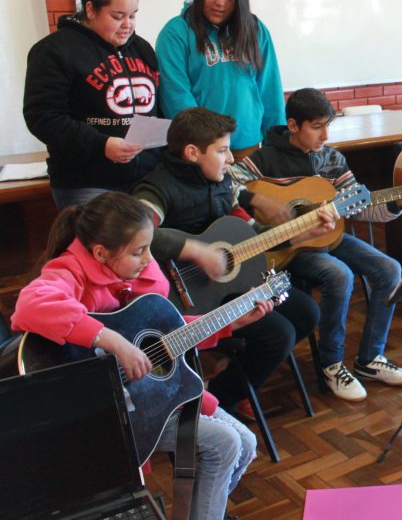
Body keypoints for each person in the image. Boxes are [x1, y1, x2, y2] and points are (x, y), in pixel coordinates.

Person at [11, 192, 267, 520]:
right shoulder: (69, 270)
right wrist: (114, 342)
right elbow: (31, 304)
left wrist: (231, 320)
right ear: (101, 253)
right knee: (225, 443)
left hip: (151, 397)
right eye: (138, 251)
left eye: (148, 247)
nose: (149, 259)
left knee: (245, 443)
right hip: (101, 414)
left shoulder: (139, 274)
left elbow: (168, 333)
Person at [230, 88, 402, 402]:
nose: (325, 134)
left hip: (329, 239)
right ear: (293, 126)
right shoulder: (265, 158)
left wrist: (398, 202)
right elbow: (225, 182)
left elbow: (362, 205)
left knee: (390, 268)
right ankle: (331, 364)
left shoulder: (332, 159)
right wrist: (258, 198)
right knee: (339, 275)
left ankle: (370, 358)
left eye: (327, 125)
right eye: (317, 127)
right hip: (288, 249)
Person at [134, 107, 325, 417]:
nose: (232, 159)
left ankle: (233, 379)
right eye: (223, 150)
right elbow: (135, 233)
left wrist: (303, 233)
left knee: (306, 312)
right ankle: (213, 399)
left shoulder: (222, 182)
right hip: (187, 302)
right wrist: (195, 250)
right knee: (278, 334)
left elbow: (253, 235)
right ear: (193, 152)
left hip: (228, 285)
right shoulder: (155, 189)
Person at [24, 0, 162, 209]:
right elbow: (43, 118)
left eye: (132, 15)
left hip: (145, 177)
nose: (127, 25)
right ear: (90, 10)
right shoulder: (54, 51)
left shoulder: (141, 48)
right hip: (86, 181)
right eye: (117, 17)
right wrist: (101, 145)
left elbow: (156, 109)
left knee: (150, 245)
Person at [156, 0, 285, 157]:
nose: (220, 3)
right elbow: (176, 95)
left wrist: (278, 145)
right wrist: (205, 143)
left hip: (247, 147)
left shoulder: (255, 30)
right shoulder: (176, 33)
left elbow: (270, 91)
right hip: (201, 151)